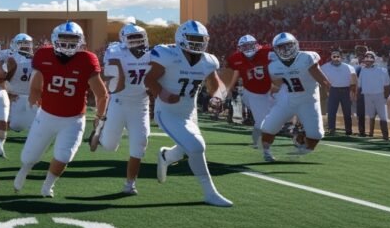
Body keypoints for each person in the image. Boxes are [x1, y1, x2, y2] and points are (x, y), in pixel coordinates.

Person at [13, 21, 109, 198]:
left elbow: (102, 94)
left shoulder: (87, 59)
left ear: (80, 41)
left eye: (72, 39)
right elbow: (35, 86)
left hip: (73, 119)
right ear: (54, 39)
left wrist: (99, 117)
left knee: (64, 156)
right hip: (47, 114)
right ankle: (24, 170)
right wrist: (33, 102)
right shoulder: (44, 55)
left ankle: (47, 186)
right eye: (63, 39)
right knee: (29, 156)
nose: (67, 43)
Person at [146, 20, 233, 207]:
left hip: (189, 111)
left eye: (200, 39)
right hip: (167, 111)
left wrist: (217, 97)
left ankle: (166, 157)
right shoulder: (168, 55)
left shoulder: (208, 61)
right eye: (193, 39)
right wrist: (162, 93)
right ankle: (210, 193)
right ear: (181, 38)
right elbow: (149, 78)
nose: (197, 43)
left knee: (188, 147)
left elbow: (215, 84)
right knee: (196, 147)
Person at [89, 24, 151, 196]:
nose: (136, 40)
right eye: (131, 37)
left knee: (140, 143)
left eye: (139, 36)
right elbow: (114, 80)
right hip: (119, 102)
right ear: (123, 39)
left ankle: (130, 184)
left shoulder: (153, 53)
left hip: (141, 105)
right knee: (109, 146)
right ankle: (99, 131)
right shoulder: (116, 51)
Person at [259, 33, 331, 161]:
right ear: (276, 49)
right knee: (269, 126)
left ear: (296, 44)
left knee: (316, 134)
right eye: (282, 47)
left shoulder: (306, 57)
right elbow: (278, 84)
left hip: (308, 99)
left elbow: (322, 80)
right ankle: (266, 151)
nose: (286, 49)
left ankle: (302, 143)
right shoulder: (274, 66)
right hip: (288, 98)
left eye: (288, 45)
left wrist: (327, 89)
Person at [224, 35, 276, 147]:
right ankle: (260, 142)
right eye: (244, 46)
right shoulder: (236, 58)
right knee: (262, 120)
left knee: (270, 117)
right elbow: (235, 72)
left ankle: (256, 140)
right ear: (239, 47)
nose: (247, 48)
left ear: (256, 44)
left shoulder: (267, 51)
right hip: (251, 92)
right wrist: (229, 87)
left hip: (268, 90)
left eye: (250, 45)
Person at [320, 49, 357, 135]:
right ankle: (331, 129)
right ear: (331, 57)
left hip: (346, 91)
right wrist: (326, 90)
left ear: (341, 57)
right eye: (334, 56)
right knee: (331, 112)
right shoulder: (324, 67)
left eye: (338, 56)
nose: (336, 58)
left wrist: (353, 92)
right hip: (332, 91)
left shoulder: (349, 67)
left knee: (347, 112)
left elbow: (353, 81)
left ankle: (348, 130)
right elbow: (321, 80)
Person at [4, 33, 35, 133]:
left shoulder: (36, 59)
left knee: (34, 126)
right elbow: (3, 79)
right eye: (23, 43)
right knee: (16, 126)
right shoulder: (11, 59)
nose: (25, 46)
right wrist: (7, 94)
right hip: (16, 96)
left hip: (32, 96)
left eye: (27, 43)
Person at [357, 52, 390, 140]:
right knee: (370, 115)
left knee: (383, 116)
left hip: (379, 95)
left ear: (373, 60)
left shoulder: (382, 70)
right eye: (366, 59)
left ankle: (385, 135)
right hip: (367, 95)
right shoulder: (363, 70)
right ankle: (370, 133)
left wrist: (385, 97)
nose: (368, 61)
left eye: (370, 58)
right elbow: (359, 85)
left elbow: (387, 85)